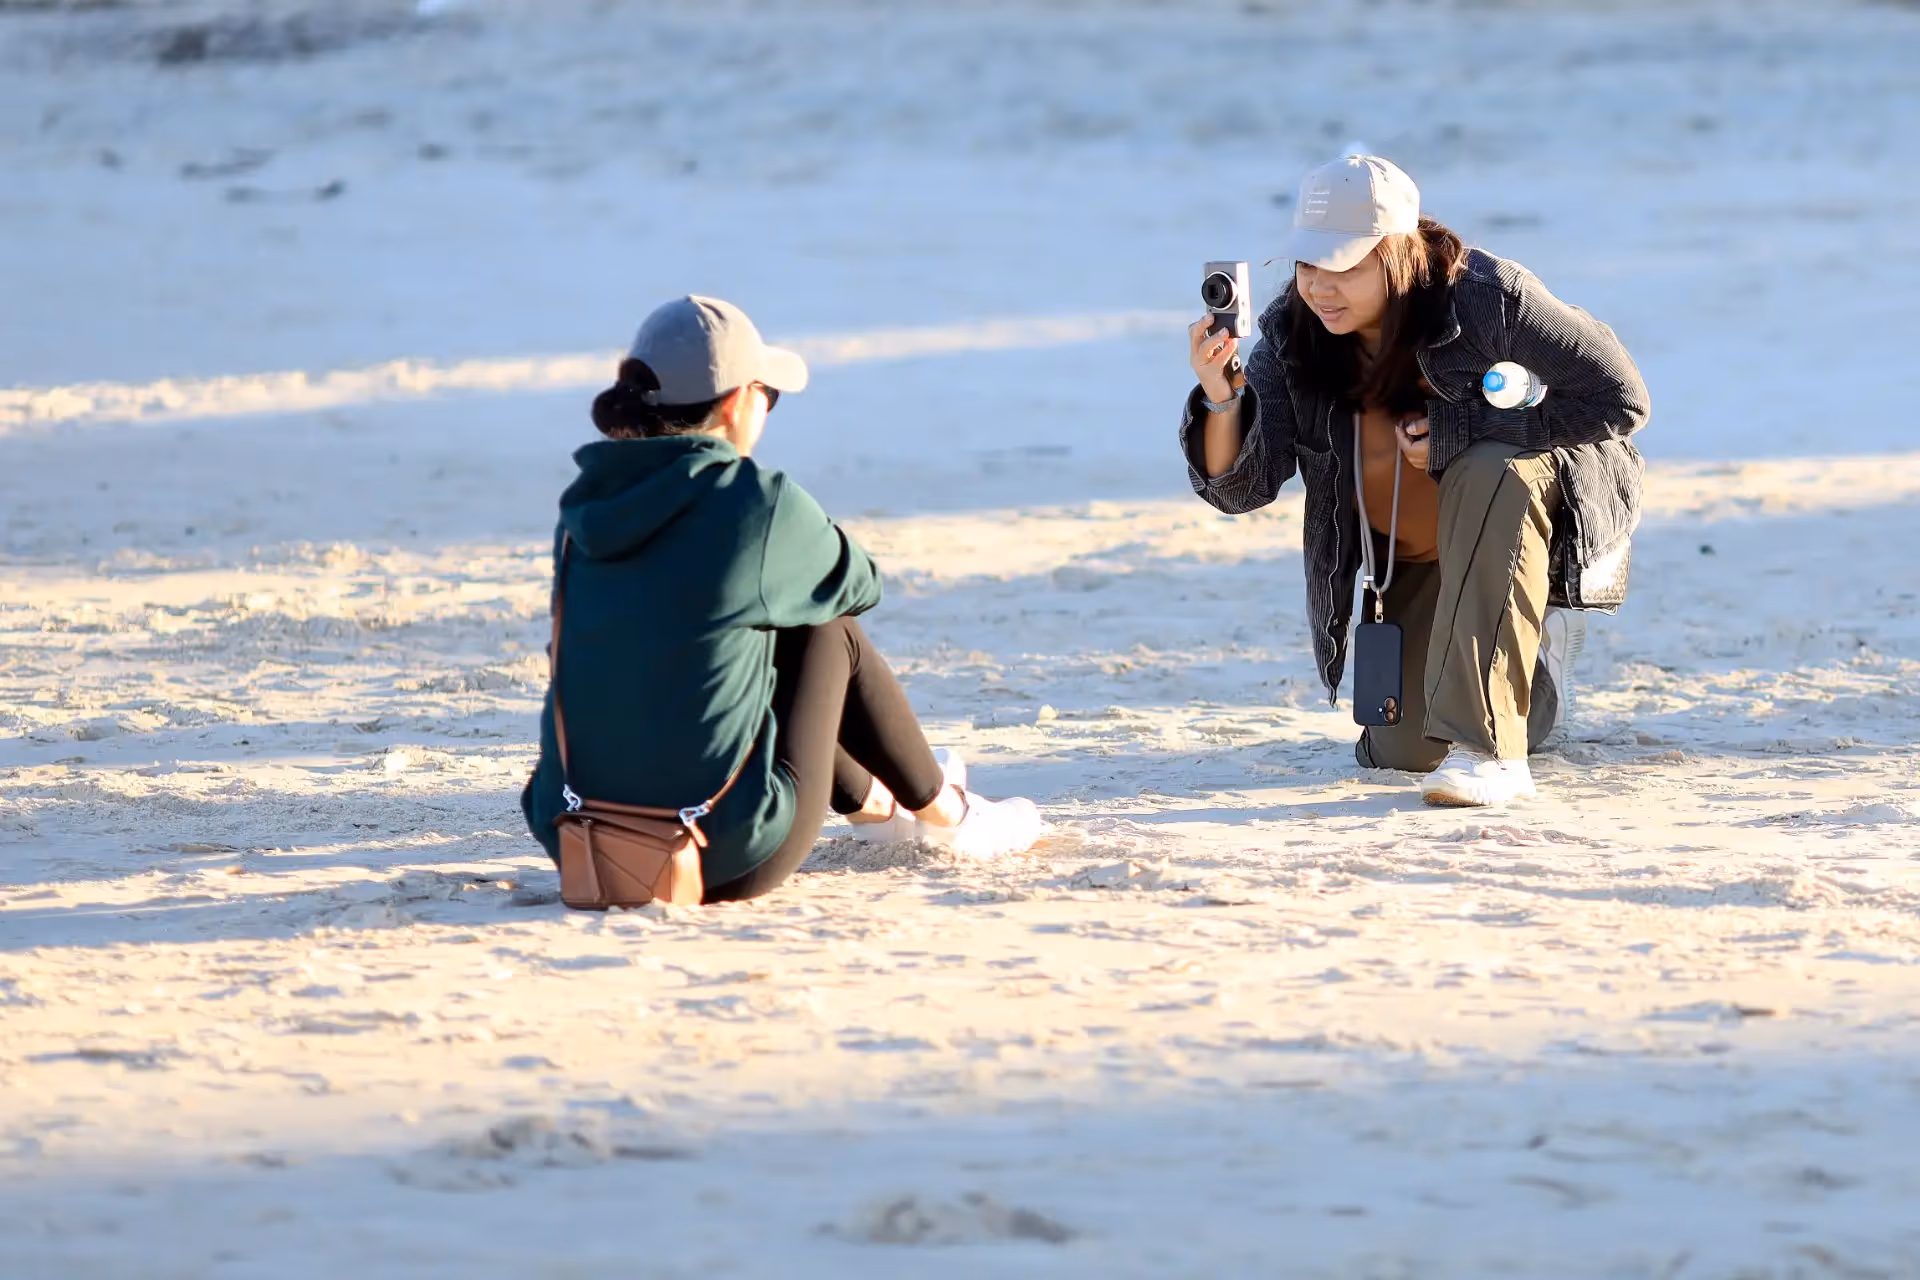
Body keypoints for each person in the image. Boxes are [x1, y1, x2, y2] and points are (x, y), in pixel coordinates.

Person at [522, 295, 1043, 900]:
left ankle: (879, 809)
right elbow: (859, 584)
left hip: (576, 835)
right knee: (822, 628)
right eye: (768, 394)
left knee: (719, 633)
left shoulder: (583, 508)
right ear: (739, 400)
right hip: (721, 853)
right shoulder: (752, 501)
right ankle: (950, 815)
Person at [1181, 154, 1649, 806]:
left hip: (1512, 522)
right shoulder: (1296, 332)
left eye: (1342, 264)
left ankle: (1493, 755)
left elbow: (1619, 399)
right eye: (1307, 263)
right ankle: (1527, 679)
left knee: (1488, 462)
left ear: (1396, 251)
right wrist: (1222, 398)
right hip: (1412, 563)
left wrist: (1467, 426)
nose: (1319, 286)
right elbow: (1242, 490)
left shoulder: (1487, 296)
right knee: (1400, 751)